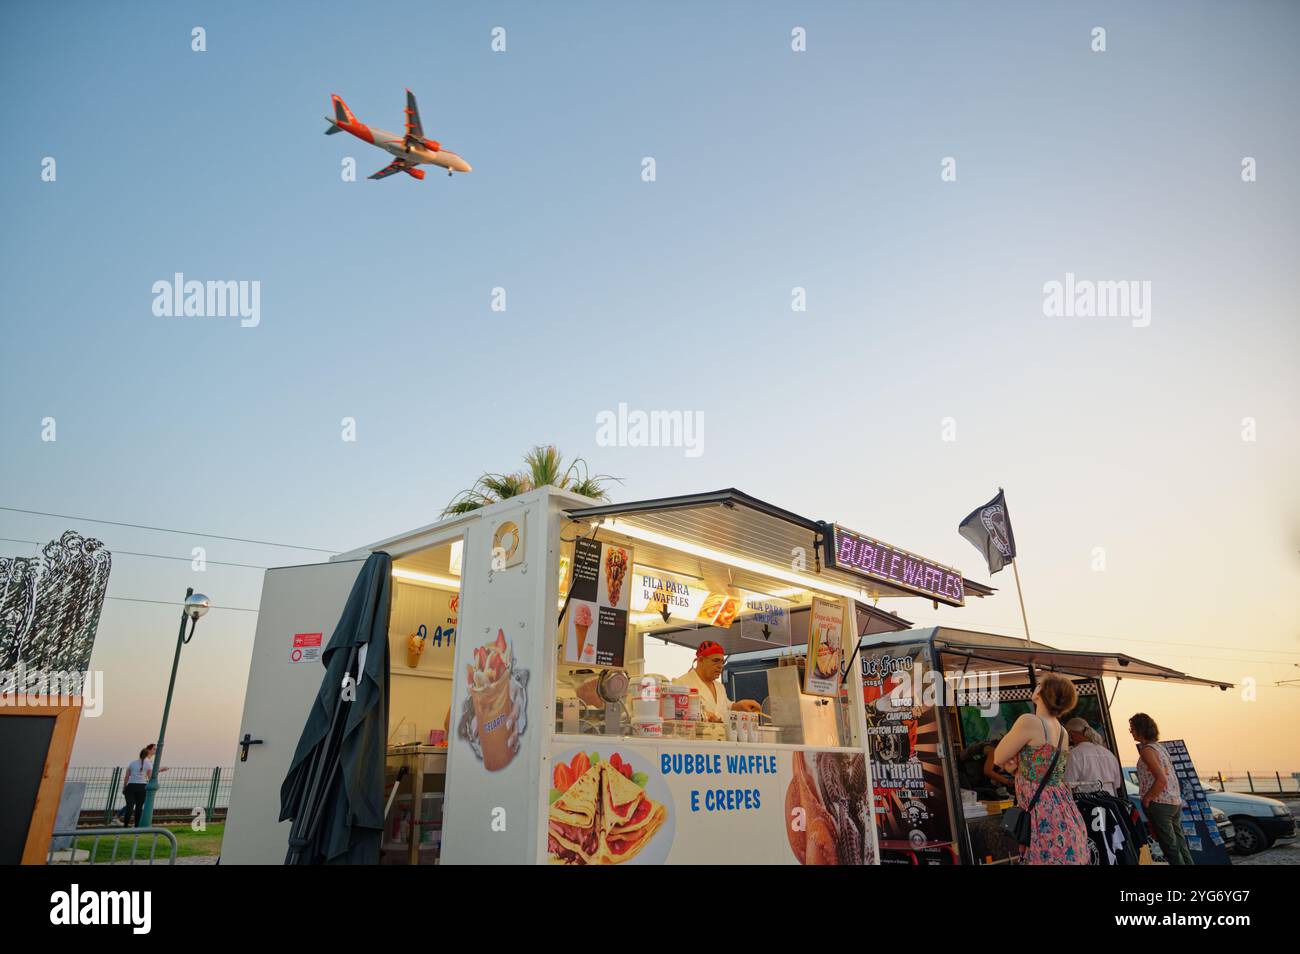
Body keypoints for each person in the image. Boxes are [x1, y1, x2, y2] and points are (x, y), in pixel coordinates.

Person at [993, 674, 1089, 864]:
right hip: (1062, 810)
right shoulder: (1062, 731)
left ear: (1043, 693)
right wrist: (1016, 769)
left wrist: (1013, 767)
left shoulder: (1030, 721)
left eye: (1039, 685)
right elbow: (1042, 771)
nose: (1036, 687)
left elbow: (998, 757)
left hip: (1043, 814)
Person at [1129, 712, 1193, 865]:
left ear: (1140, 729)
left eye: (1132, 728)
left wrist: (1147, 798)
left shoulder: (1147, 750)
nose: (1131, 731)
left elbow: (1161, 779)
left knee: (1170, 847)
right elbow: (1165, 773)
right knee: (1180, 844)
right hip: (1173, 801)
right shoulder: (1159, 748)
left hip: (1160, 802)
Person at [675, 641, 762, 723]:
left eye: (722, 662)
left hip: (720, 737)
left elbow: (726, 707)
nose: (720, 666)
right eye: (715, 661)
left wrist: (738, 706)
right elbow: (677, 715)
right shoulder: (681, 684)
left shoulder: (720, 687)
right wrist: (704, 716)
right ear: (700, 660)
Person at [1063, 717, 1124, 795]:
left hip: (1088, 804)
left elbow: (1068, 784)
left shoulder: (1075, 754)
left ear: (1071, 734)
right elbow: (1117, 784)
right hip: (1111, 803)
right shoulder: (1109, 754)